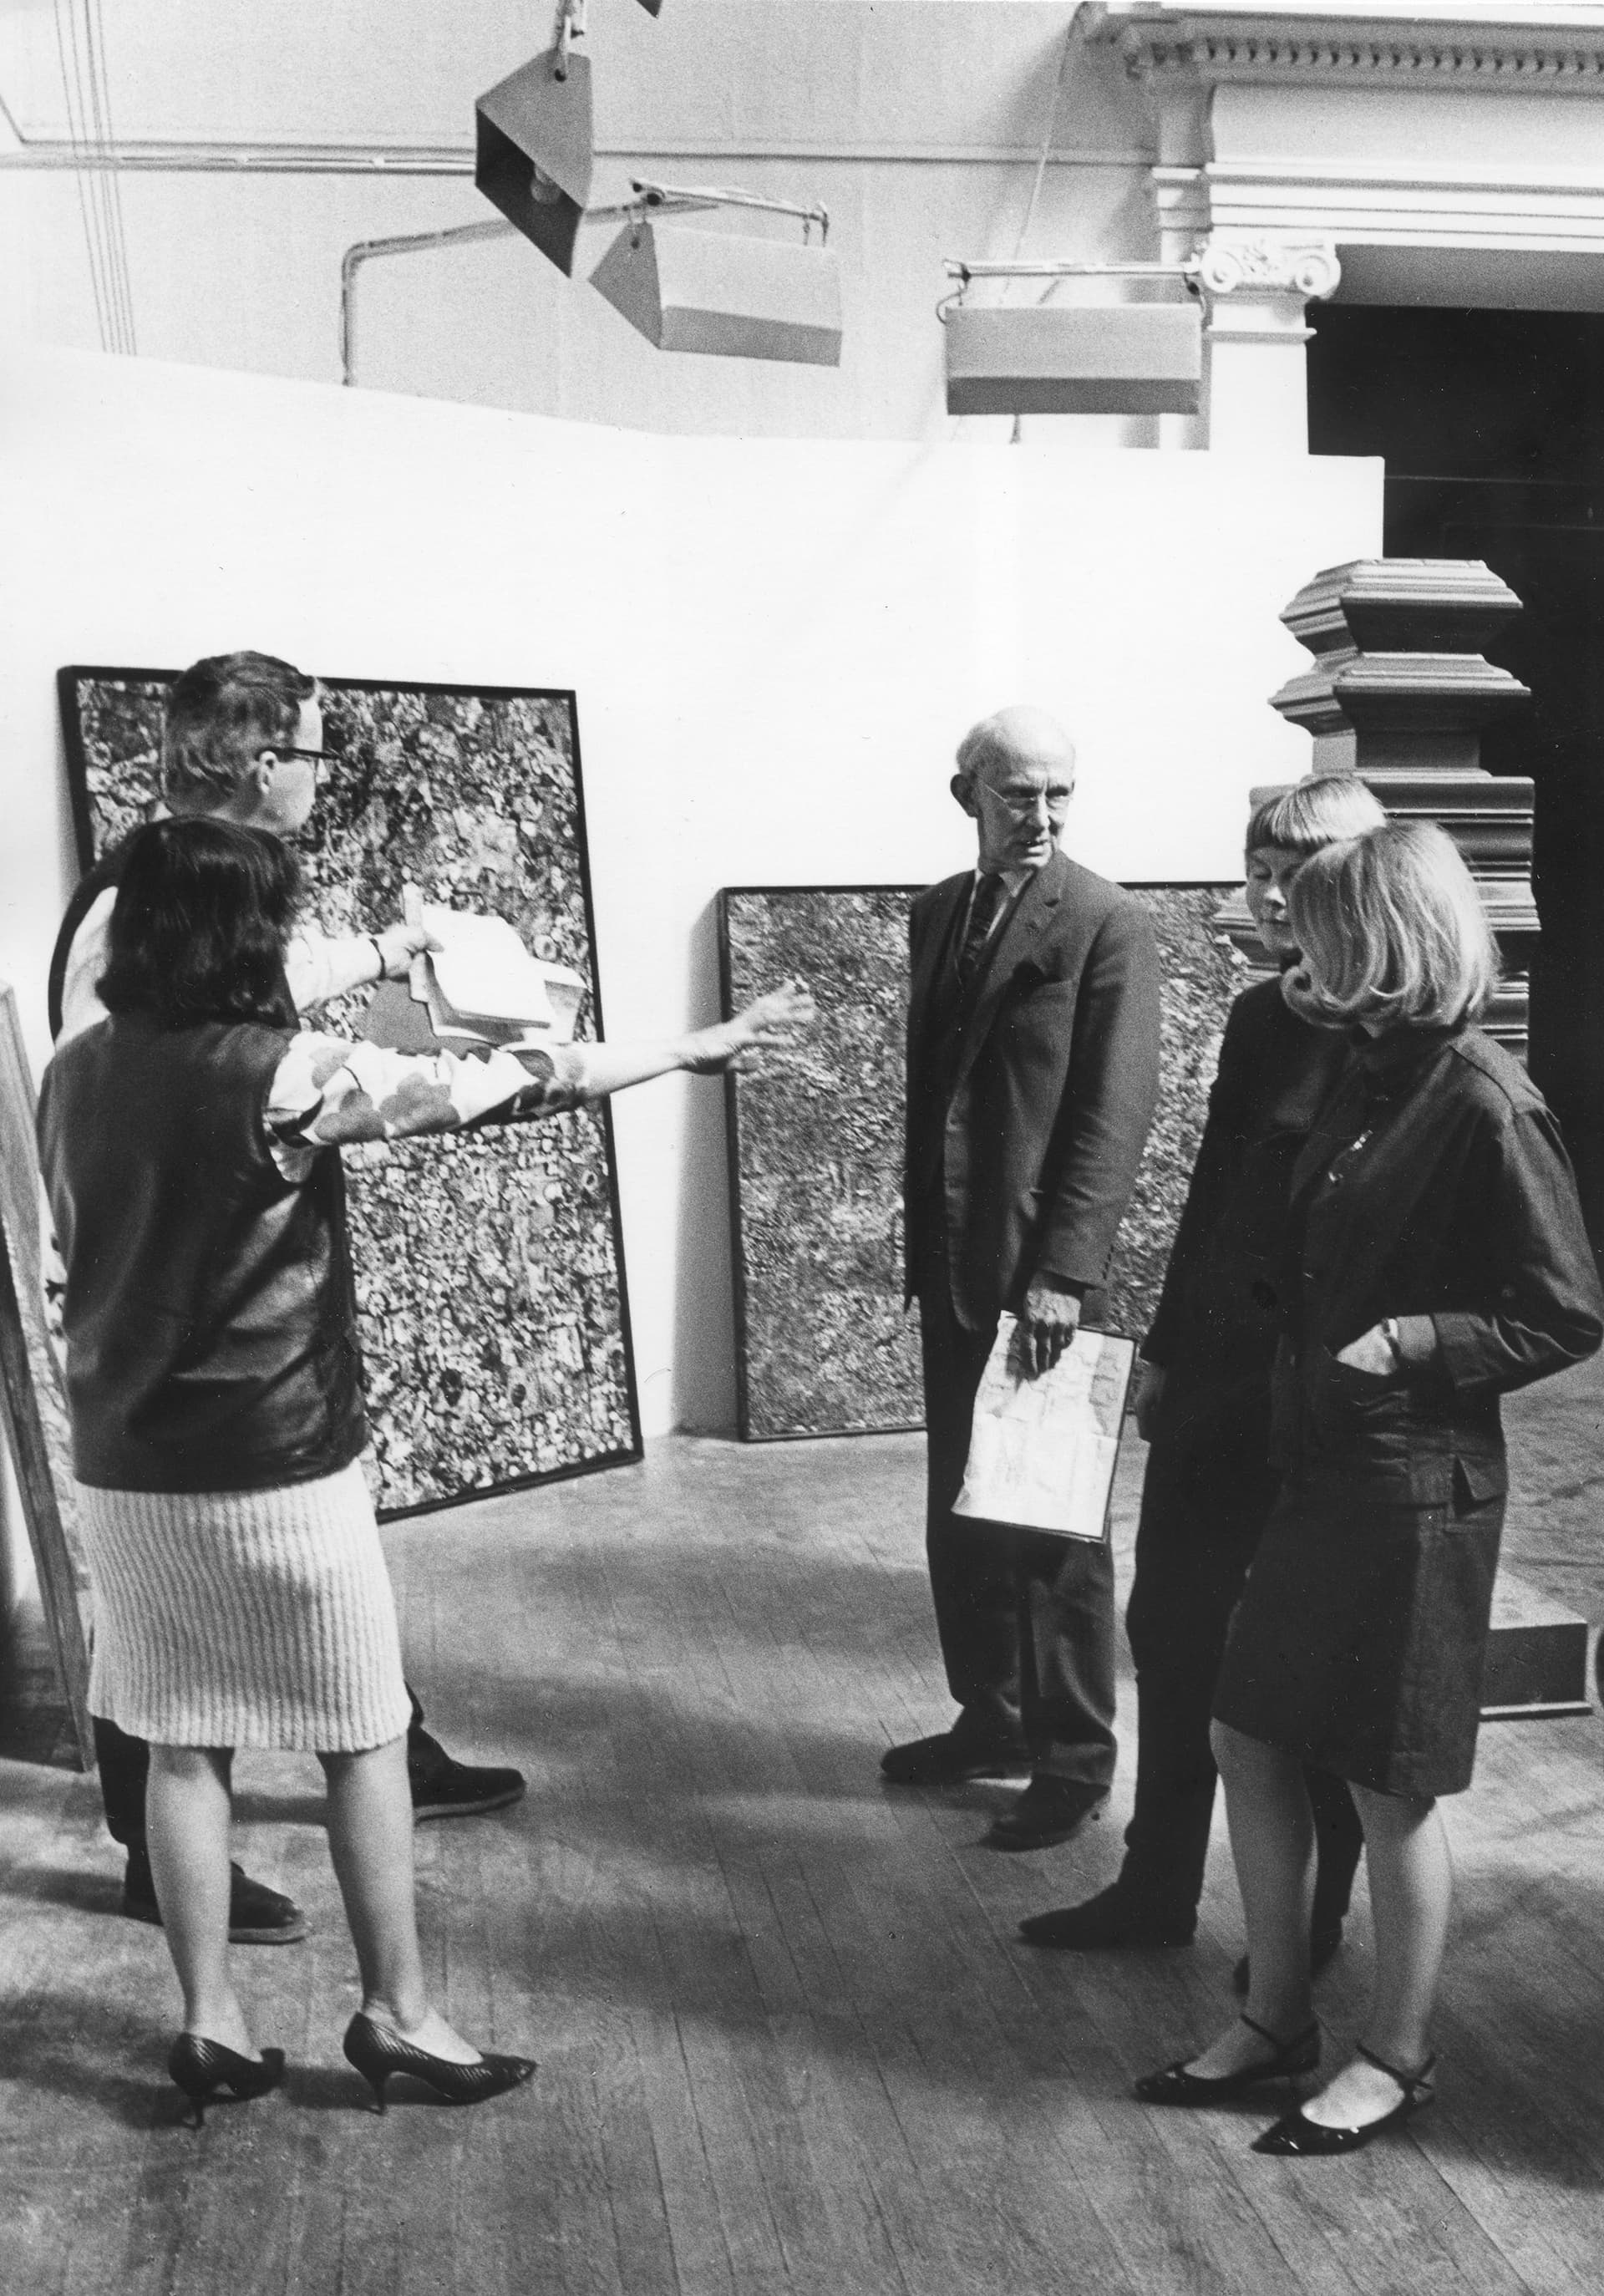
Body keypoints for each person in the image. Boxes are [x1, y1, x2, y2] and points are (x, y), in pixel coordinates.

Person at [38, 815, 810, 2119]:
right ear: (242, 937)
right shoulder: (284, 1072)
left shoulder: (71, 1067)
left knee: (178, 1739)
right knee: (364, 1733)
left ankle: (211, 2023)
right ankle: (397, 2016)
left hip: (124, 1466)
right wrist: (689, 1047)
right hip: (272, 1465)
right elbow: (518, 1080)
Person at [1134, 821, 1601, 2155]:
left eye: (1320, 927)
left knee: (1390, 1787)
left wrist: (1413, 1342)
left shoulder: (1481, 1099)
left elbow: (1566, 1312)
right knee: (1249, 1737)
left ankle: (1397, 2054)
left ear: (1384, 942)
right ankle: (1278, 2018)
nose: (1294, 941)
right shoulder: (1364, 1071)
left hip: (1415, 1490)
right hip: (1319, 1464)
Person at [51, 652, 520, 1949]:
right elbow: (163, 1064)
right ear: (258, 758)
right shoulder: (137, 907)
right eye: (313, 752)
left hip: (212, 1296)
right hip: (167, 1310)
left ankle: (386, 1748)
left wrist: (403, 992)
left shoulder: (207, 893)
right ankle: (161, 1854)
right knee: (158, 1621)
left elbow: (263, 1001)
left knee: (248, 1597)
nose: (321, 778)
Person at [1020, 777, 1381, 1962]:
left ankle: (1313, 1924)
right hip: (1218, 1385)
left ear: (1359, 882)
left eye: (1299, 870)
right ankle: (1155, 1888)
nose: (1269, 892)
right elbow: (1215, 1200)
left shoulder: (1403, 1040)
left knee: (1297, 1671)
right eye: (1258, 863)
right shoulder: (1258, 1017)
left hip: (1319, 1408)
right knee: (1170, 1630)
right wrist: (1165, 1353)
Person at [884, 706, 1161, 1852]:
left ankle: (1075, 1761)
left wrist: (1065, 1274)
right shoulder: (939, 910)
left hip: (1043, 1276)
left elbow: (1112, 1112)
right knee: (966, 1511)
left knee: (1054, 1534)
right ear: (968, 798)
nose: (1039, 817)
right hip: (956, 1261)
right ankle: (990, 1720)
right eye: (1016, 796)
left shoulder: (1106, 921)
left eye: (1057, 796)